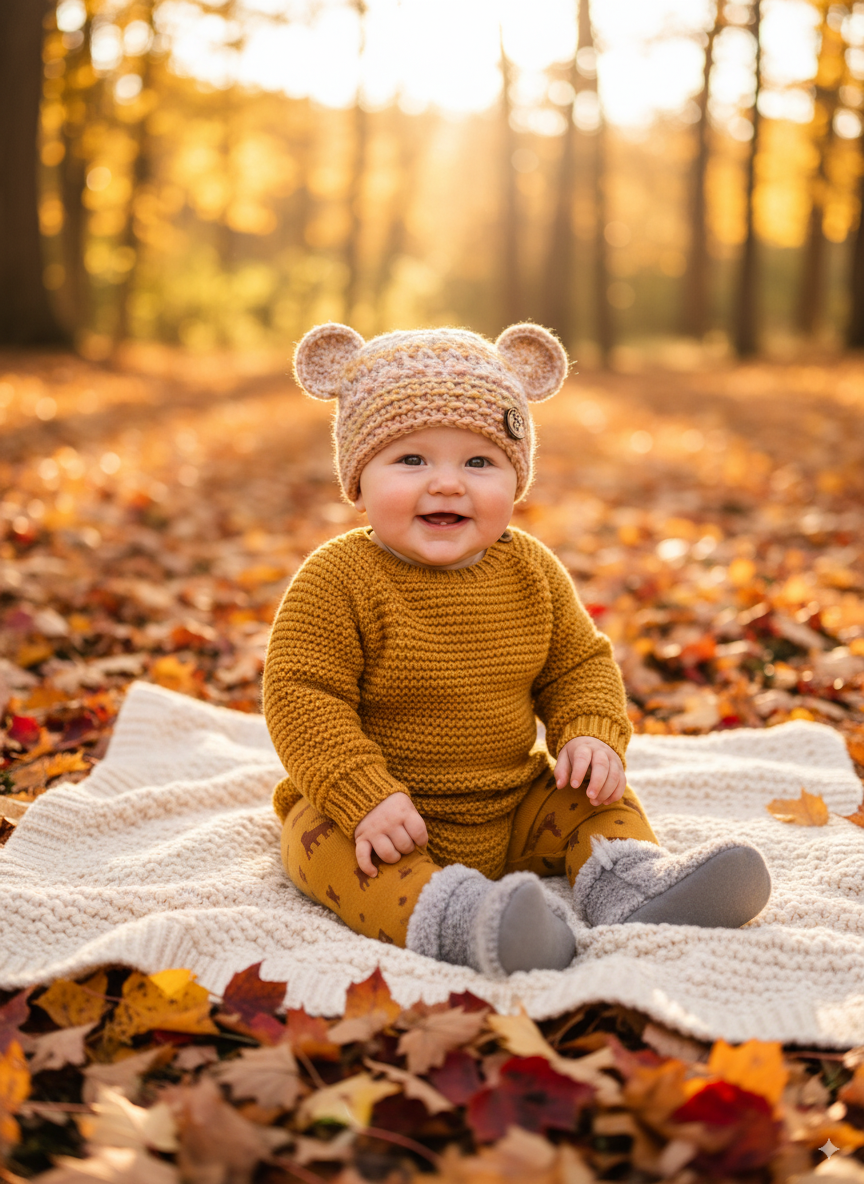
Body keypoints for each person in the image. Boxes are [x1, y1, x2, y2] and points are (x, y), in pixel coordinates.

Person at [262, 322, 771, 978]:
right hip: (383, 812)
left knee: (593, 798)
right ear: (357, 478)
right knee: (320, 847)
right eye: (411, 459)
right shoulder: (338, 579)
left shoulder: (530, 569)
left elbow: (578, 663)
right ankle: (459, 919)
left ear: (516, 478)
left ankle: (633, 885)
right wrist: (360, 793)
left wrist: (589, 733)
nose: (448, 484)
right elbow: (301, 693)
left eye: (479, 462)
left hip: (512, 802)